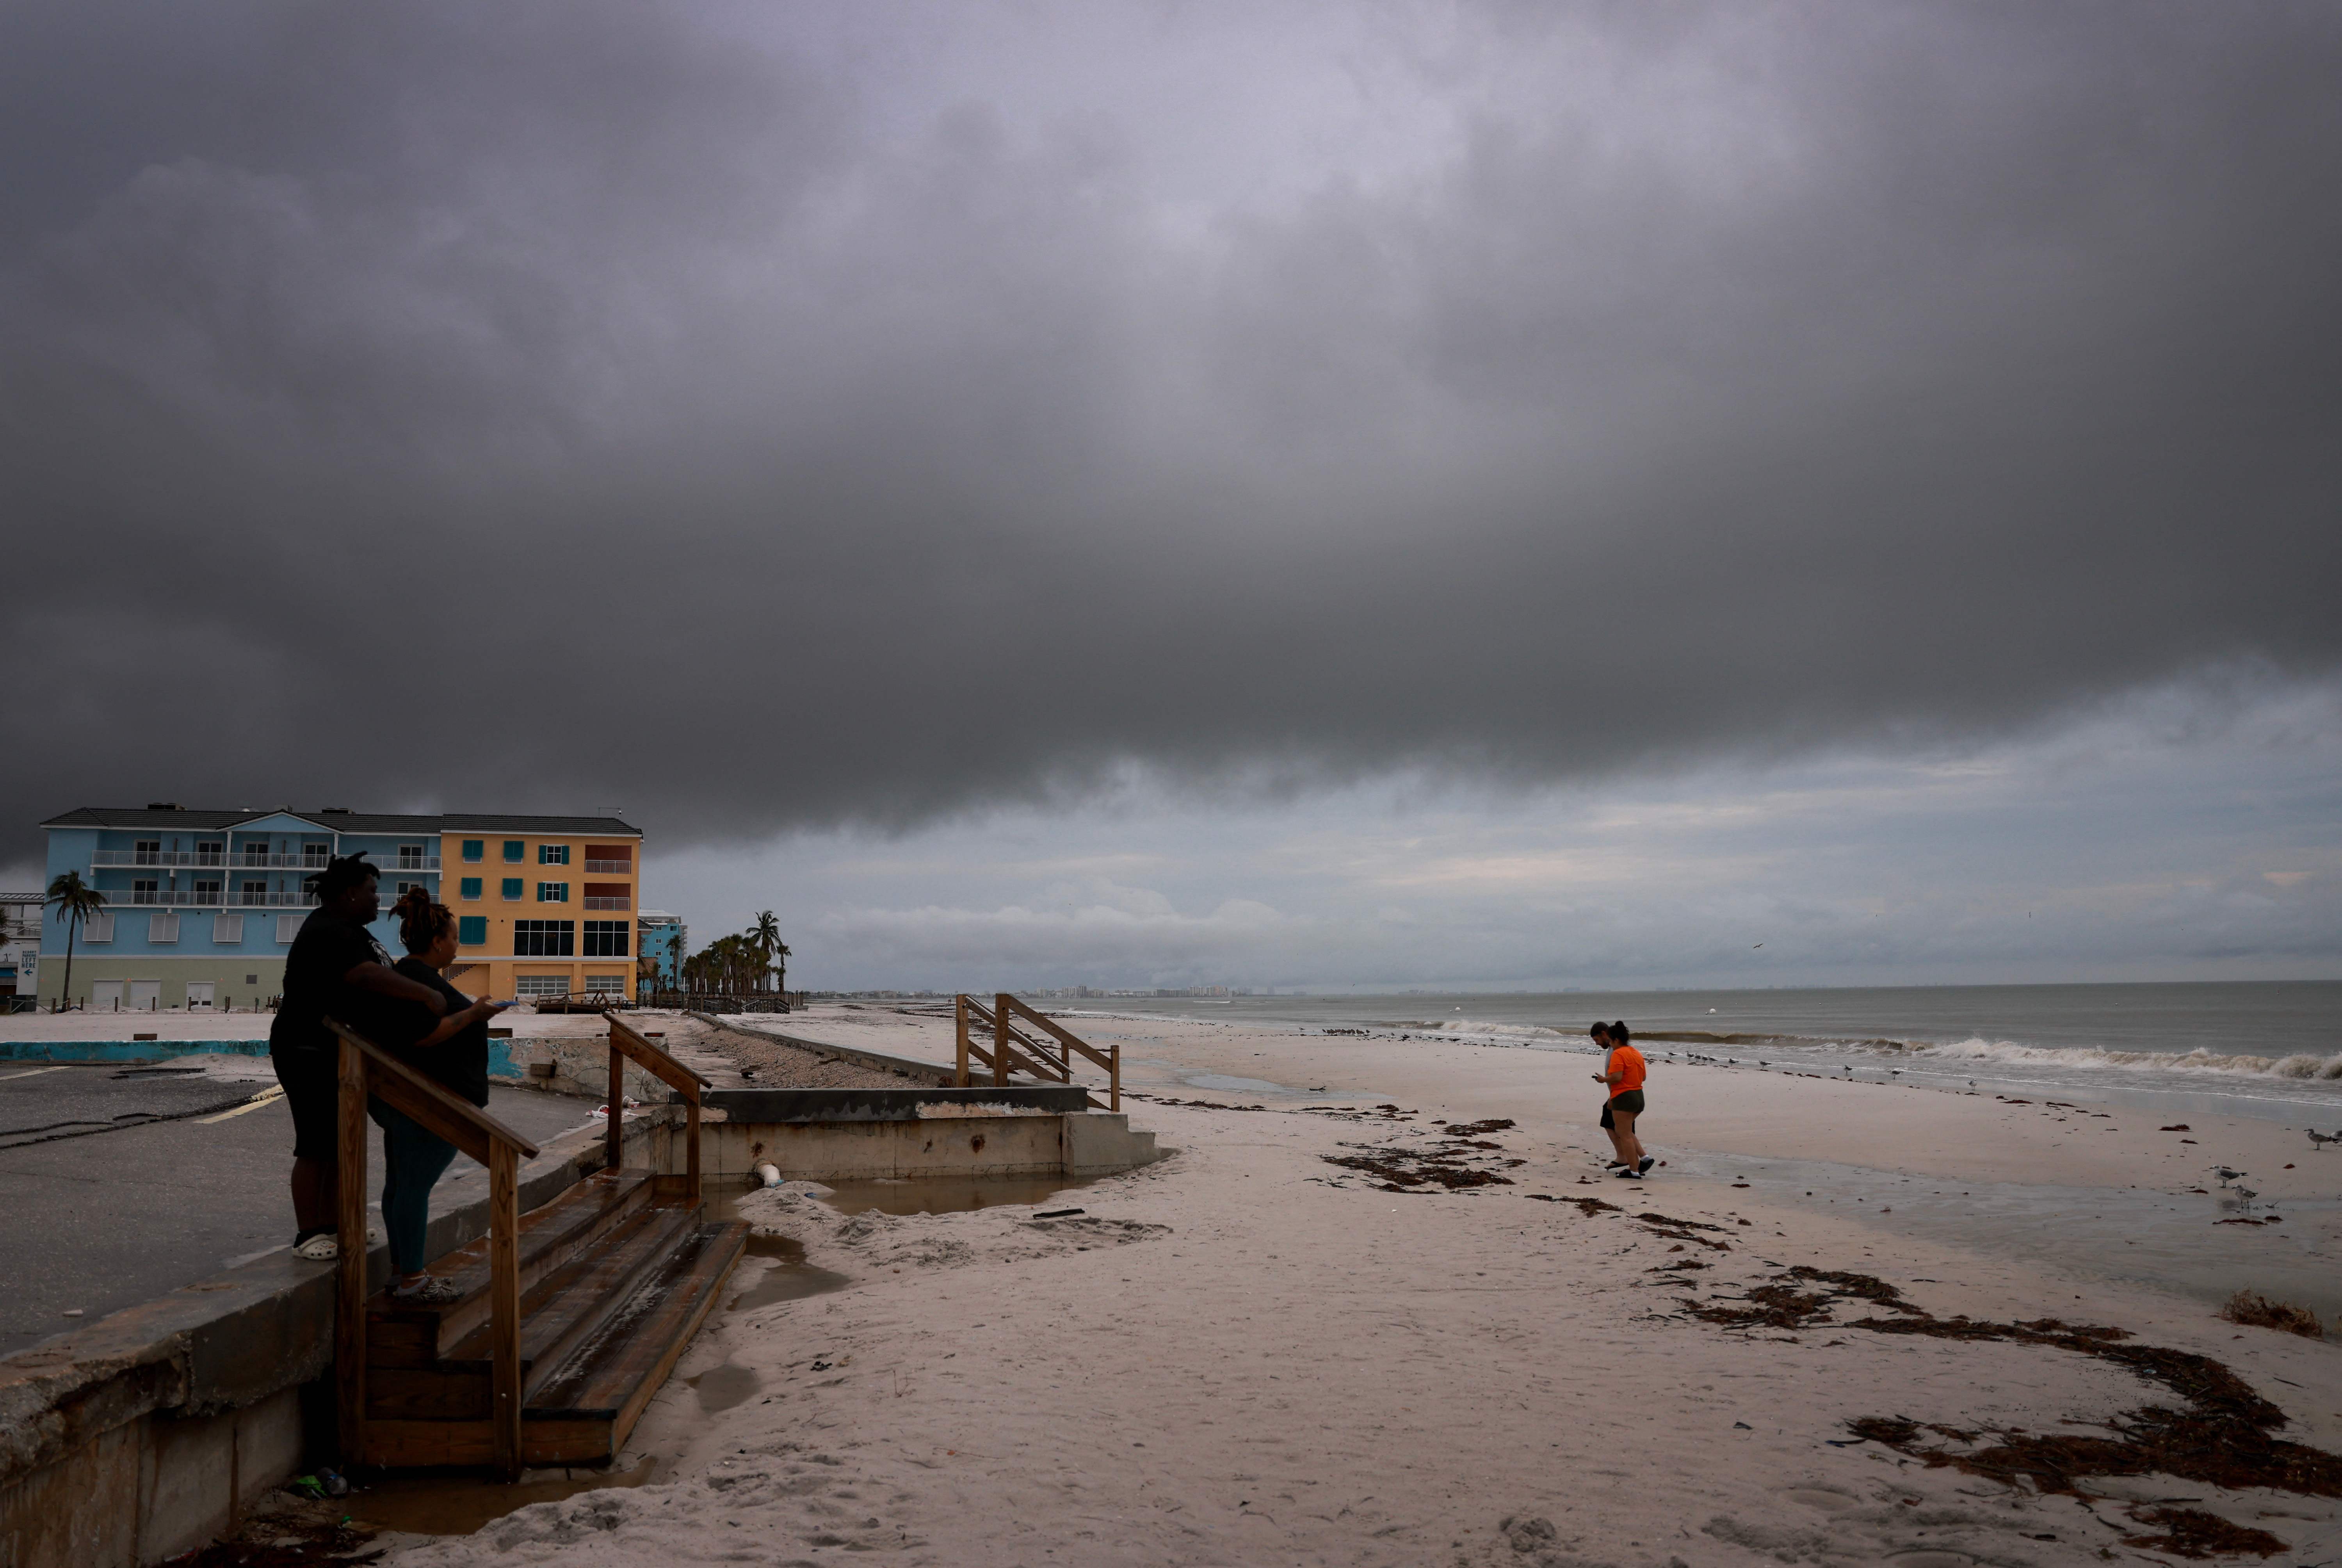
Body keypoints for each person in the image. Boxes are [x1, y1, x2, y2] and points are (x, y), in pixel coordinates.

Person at [268, 853, 450, 1260]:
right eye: (371, 891)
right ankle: (309, 1233)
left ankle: (335, 1222)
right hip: (307, 1049)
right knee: (316, 1143)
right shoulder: (328, 930)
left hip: (340, 1052)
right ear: (349, 893)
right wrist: (425, 993)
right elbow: (364, 976)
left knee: (337, 1142)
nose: (376, 899)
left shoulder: (352, 930)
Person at [373, 888, 512, 1303]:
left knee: (401, 1186)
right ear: (438, 942)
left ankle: (403, 1272)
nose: (457, 945)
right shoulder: (416, 981)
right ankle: (413, 1279)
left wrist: (472, 1013)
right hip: (427, 1103)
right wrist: (473, 1014)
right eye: (454, 938)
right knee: (413, 1186)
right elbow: (424, 1036)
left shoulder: (410, 976)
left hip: (410, 1097)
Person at [1591, 1019, 1650, 1179]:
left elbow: (1617, 1077)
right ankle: (1643, 1159)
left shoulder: (1618, 1053)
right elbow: (1643, 1077)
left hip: (1623, 1097)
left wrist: (1603, 1080)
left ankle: (1634, 1171)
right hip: (1639, 1097)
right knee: (1625, 1131)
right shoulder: (1635, 1052)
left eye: (1610, 1041)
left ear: (1615, 1040)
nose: (1609, 1044)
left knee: (1625, 1135)